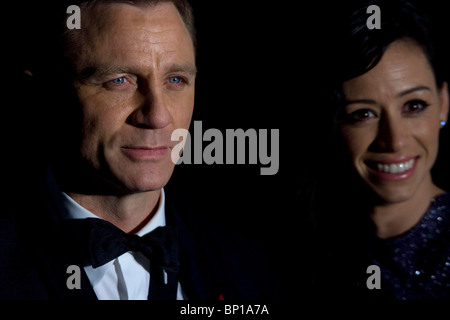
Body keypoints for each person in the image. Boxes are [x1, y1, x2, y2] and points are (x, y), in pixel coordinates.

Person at [0, 0, 277, 300]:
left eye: (175, 80)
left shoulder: (249, 263)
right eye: (119, 80)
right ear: (44, 95)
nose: (158, 116)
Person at [305, 0, 450, 300]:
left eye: (414, 106)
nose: (394, 141)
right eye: (364, 114)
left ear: (443, 103)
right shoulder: (297, 244)